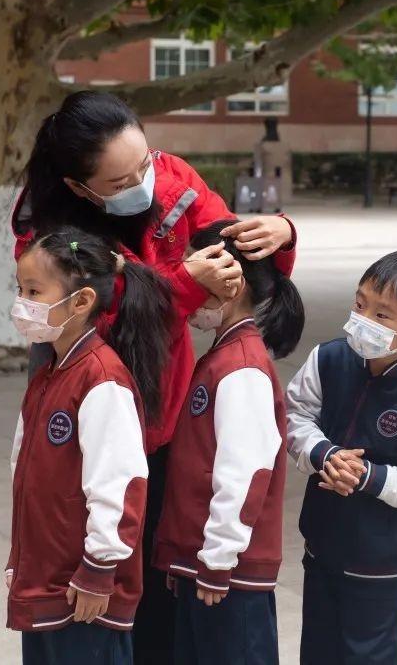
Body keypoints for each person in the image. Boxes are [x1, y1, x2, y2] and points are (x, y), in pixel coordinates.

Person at [14, 90, 298, 662]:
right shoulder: (47, 230)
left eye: (144, 162)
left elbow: (234, 256)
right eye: (120, 182)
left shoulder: (173, 179)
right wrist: (182, 281)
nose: (145, 182)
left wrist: (277, 234)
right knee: (92, 574)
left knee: (158, 589)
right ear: (78, 187)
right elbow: (95, 313)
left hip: (163, 419)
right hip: (89, 407)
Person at [285, 250, 397, 665]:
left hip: (378, 552)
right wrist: (322, 454)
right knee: (318, 646)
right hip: (321, 537)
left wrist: (370, 476)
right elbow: (294, 413)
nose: (363, 319)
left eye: (383, 316)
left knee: (370, 652)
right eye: (360, 303)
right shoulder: (328, 358)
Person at [6, 227, 172, 665]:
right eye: (20, 289)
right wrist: (20, 560)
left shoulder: (101, 379)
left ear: (80, 302)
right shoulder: (49, 373)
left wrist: (100, 571)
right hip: (46, 582)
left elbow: (120, 486)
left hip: (83, 594)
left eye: (34, 291)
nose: (22, 303)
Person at [152, 220, 303, 665]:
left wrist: (218, 559)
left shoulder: (240, 368)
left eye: (199, 278)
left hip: (226, 575)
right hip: (205, 565)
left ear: (230, 285)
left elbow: (245, 474)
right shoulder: (222, 356)